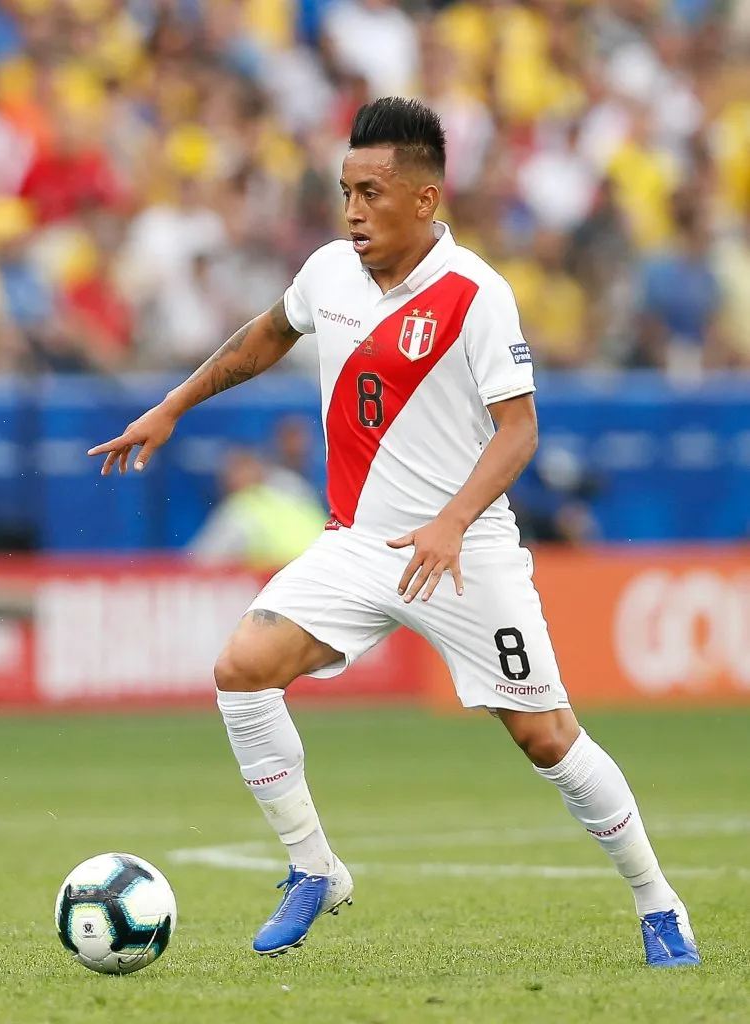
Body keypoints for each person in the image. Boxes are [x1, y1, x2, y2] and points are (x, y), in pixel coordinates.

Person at [88, 97, 700, 967]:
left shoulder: (475, 294)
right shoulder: (330, 272)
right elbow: (267, 334)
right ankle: (314, 869)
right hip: (354, 543)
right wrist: (172, 406)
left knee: (546, 738)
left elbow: (518, 429)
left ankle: (657, 902)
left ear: (423, 198)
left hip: (463, 552)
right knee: (241, 671)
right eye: (344, 190)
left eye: (371, 192)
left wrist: (451, 522)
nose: (352, 211)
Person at [189, 447, 327, 568]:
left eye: (234, 471)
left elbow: (202, 560)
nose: (226, 479)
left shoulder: (242, 506)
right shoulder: (295, 486)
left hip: (282, 579)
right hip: (325, 568)